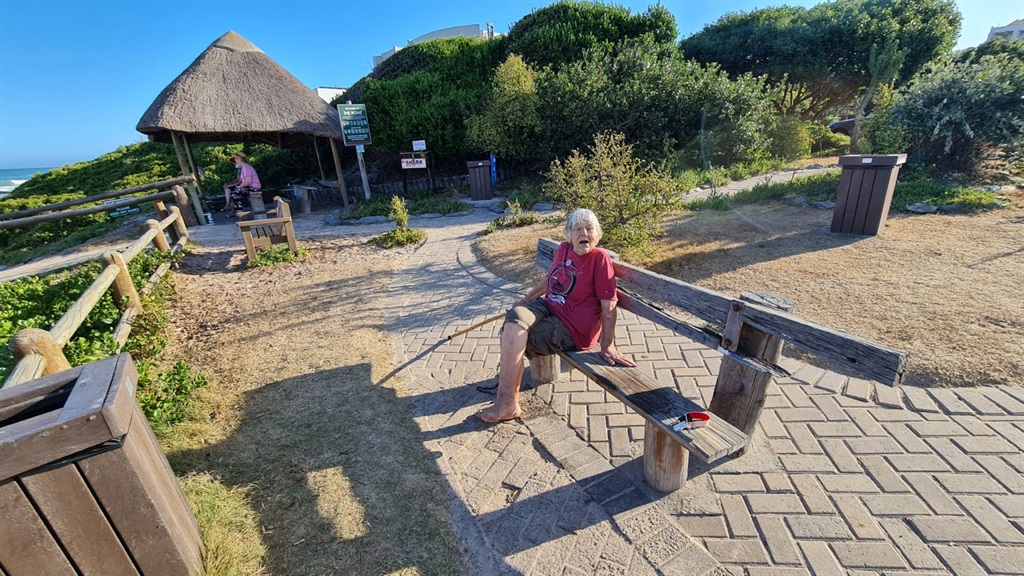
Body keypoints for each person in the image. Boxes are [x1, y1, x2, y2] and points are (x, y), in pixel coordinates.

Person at [477, 208, 635, 423]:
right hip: (549, 306)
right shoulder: (563, 249)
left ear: (597, 234)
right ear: (569, 234)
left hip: (573, 326)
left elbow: (609, 306)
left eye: (589, 229)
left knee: (516, 337)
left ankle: (506, 402)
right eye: (578, 229)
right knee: (514, 319)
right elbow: (549, 280)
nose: (584, 234)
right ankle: (507, 402)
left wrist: (607, 345)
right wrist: (525, 300)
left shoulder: (599, 259)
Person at [222, 152, 261, 216]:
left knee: (235, 194)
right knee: (232, 191)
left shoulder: (246, 167)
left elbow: (248, 182)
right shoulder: (243, 167)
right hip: (249, 186)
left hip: (253, 187)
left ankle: (241, 214)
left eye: (236, 158)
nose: (235, 160)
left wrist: (239, 186)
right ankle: (236, 210)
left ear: (240, 159)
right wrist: (236, 186)